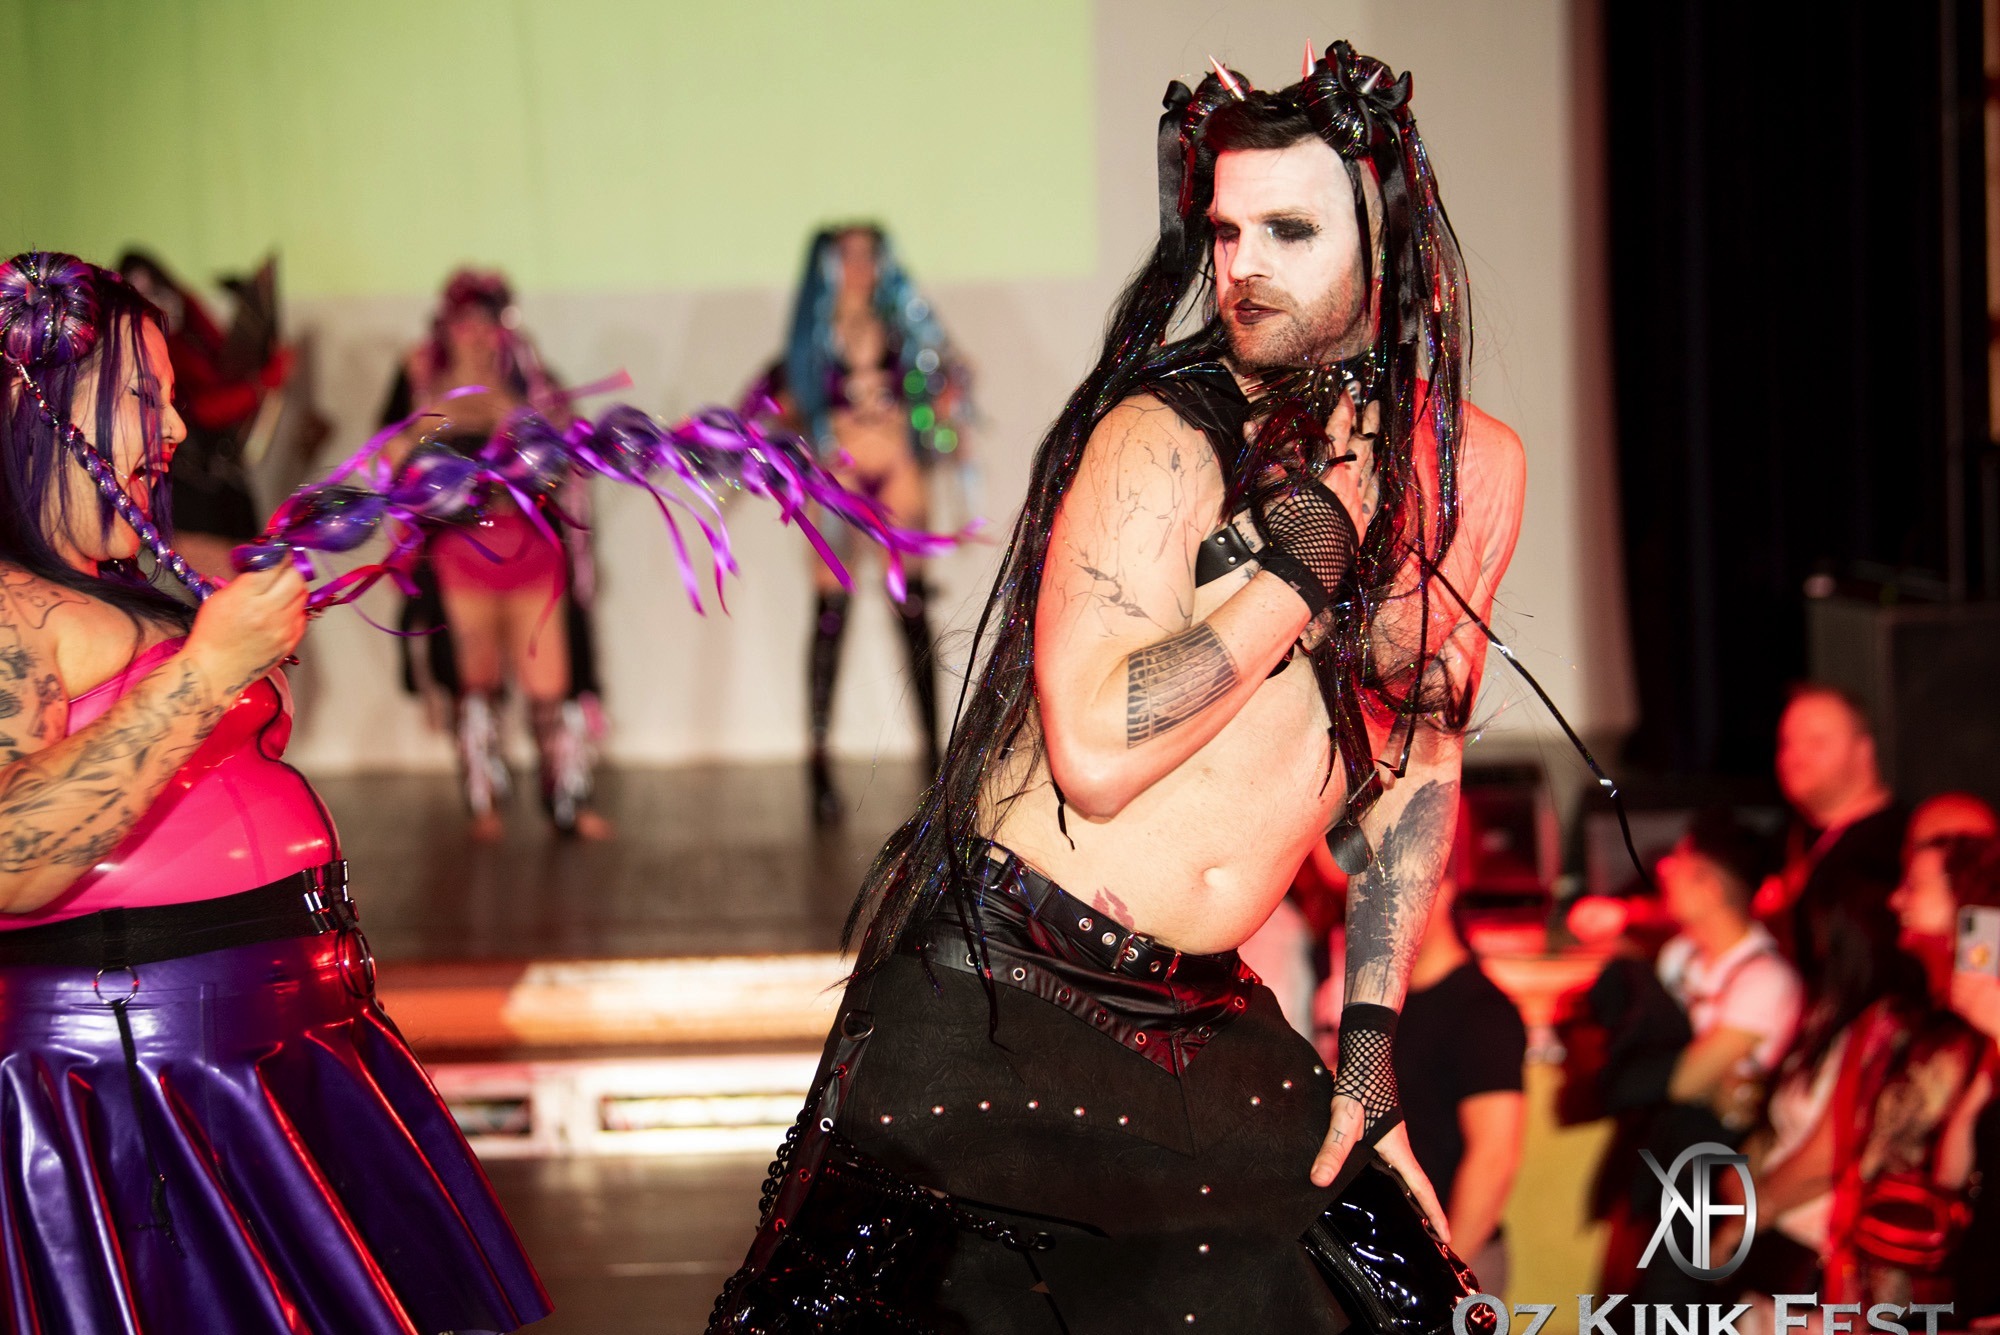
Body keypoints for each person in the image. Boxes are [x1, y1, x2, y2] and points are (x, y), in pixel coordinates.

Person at [712, 41, 1525, 1332]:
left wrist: (1369, 1049)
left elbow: (1418, 760)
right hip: (1007, 987)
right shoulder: (1166, 434)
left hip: (1195, 1002)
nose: (1242, 267)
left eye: (1290, 231)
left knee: (1393, 1301)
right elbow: (1094, 749)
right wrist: (1301, 564)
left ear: (1391, 244)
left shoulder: (1476, 468)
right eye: (1226, 230)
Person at [0, 252, 548, 1332]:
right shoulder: (10, 609)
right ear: (40, 408)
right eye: (144, 397)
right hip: (140, 1075)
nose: (172, 430)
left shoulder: (125, 582)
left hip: (269, 1044)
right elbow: (10, 858)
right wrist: (209, 669)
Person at [380, 269, 610, 840]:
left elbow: (566, 460)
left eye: (489, 323)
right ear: (446, 327)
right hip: (462, 557)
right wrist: (440, 413)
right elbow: (390, 462)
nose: (478, 335)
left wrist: (509, 409)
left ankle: (568, 803)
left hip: (530, 552)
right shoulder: (420, 385)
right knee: (475, 687)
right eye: (466, 323)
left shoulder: (532, 383)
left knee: (551, 688)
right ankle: (484, 804)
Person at [779, 225, 972, 821]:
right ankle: (818, 766)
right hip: (840, 483)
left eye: (869, 253)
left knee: (910, 610)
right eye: (848, 254)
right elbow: (783, 399)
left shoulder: (904, 324)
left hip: (896, 477)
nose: (860, 264)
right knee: (830, 615)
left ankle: (935, 766)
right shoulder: (811, 336)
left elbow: (944, 378)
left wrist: (941, 405)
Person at [115, 250, 296, 585]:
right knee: (208, 585)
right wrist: (263, 383)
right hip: (185, 490)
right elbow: (200, 410)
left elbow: (223, 362)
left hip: (221, 481)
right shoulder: (144, 347)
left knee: (246, 579)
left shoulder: (185, 320)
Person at [1392, 874, 1527, 1293]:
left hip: (1453, 1261)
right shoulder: (1388, 1005)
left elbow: (1493, 1159)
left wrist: (1447, 1278)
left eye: (1399, 883)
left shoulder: (1479, 1009)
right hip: (1403, 1256)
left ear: (1443, 886)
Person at [1757, 684, 1907, 963]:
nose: (1795, 757)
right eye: (1787, 743)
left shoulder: (1900, 843)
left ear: (1863, 750)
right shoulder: (1784, 838)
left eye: (1817, 742)